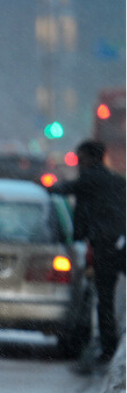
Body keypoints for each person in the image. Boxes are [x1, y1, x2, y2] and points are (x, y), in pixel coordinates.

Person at [50, 139, 127, 363]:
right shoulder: (116, 181)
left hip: (106, 244)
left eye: (79, 158)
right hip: (118, 241)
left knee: (104, 299)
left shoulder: (90, 179)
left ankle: (108, 348)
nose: (77, 163)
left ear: (90, 158)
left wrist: (40, 187)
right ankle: (108, 345)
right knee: (104, 298)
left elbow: (63, 189)